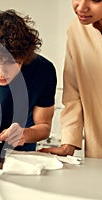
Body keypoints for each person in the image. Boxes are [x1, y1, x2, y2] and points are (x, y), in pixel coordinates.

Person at [0, 10, 57, 152]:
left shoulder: (44, 71)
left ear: (24, 58)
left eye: (11, 63)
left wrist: (24, 134)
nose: (0, 73)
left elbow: (44, 126)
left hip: (26, 154)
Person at [40, 0, 102, 158]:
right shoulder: (77, 29)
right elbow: (73, 92)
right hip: (97, 151)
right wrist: (68, 142)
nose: (81, 7)